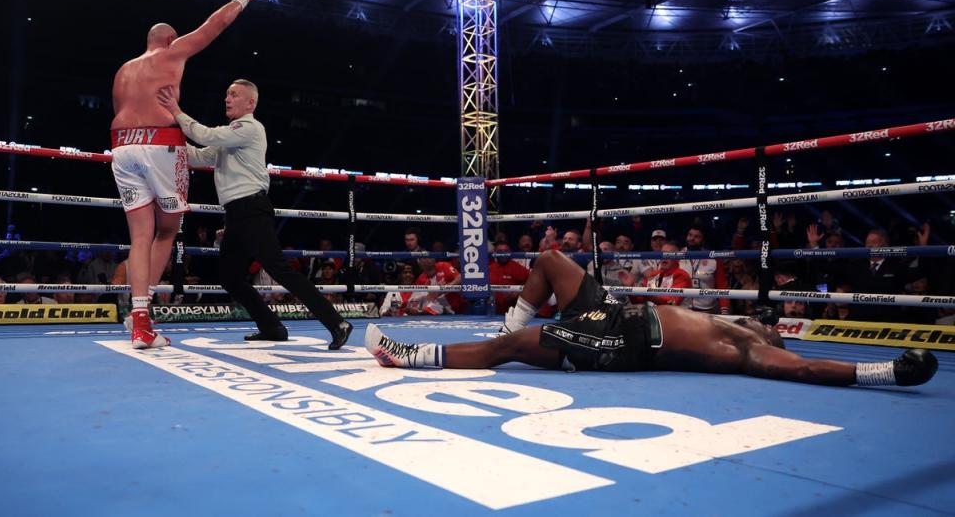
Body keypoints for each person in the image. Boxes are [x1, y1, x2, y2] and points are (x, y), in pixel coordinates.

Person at [365, 250, 938, 388]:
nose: (766, 324)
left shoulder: (753, 352)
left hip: (621, 341)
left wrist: (884, 370)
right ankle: (505, 323)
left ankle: (411, 355)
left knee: (515, 347)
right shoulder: (740, 325)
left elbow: (811, 371)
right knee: (548, 258)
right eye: (766, 322)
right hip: (616, 310)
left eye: (771, 325)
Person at [111, 0, 261, 349]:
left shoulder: (123, 71)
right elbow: (214, 27)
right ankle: (142, 317)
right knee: (166, 232)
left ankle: (138, 316)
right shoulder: (171, 53)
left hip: (122, 148)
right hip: (161, 145)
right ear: (169, 40)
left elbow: (120, 113)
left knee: (139, 236)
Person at [156, 80, 351, 348]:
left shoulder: (249, 128)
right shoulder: (230, 137)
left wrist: (177, 112)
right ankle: (271, 326)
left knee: (279, 270)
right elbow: (201, 156)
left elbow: (206, 135)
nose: (227, 99)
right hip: (237, 213)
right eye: (226, 94)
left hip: (251, 209)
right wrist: (168, 141)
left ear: (250, 103)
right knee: (230, 278)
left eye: (233, 95)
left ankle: (336, 322)